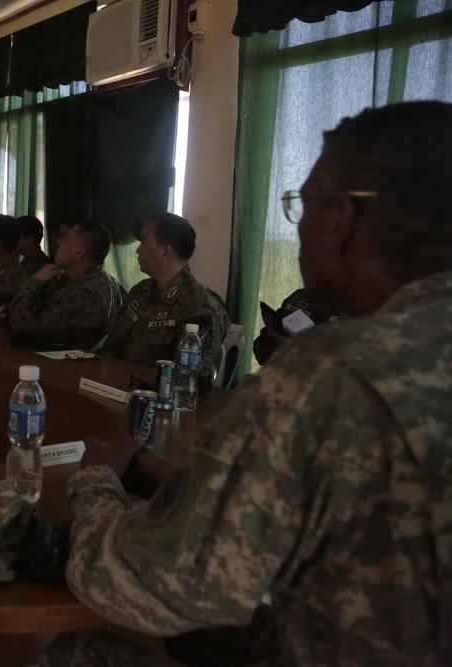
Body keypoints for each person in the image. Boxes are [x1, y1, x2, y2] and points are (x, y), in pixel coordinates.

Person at [43, 101, 452, 666]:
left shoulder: (330, 373)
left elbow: (142, 582)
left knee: (76, 653)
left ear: (342, 219)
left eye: (300, 205)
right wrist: (190, 484)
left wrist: (95, 486)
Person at [102, 213, 227, 392]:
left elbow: (189, 379)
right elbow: (111, 349)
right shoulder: (140, 292)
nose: (138, 250)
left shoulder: (199, 305)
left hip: (159, 402)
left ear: (165, 252)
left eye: (143, 242)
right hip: (118, 390)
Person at [9, 220, 126, 350]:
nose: (58, 242)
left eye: (64, 238)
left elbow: (23, 327)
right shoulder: (109, 284)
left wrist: (34, 281)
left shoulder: (85, 294)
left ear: (79, 251)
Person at [252, 287, 348, 365]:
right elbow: (260, 349)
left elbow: (351, 375)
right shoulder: (300, 297)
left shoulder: (358, 312)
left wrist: (301, 352)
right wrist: (279, 346)